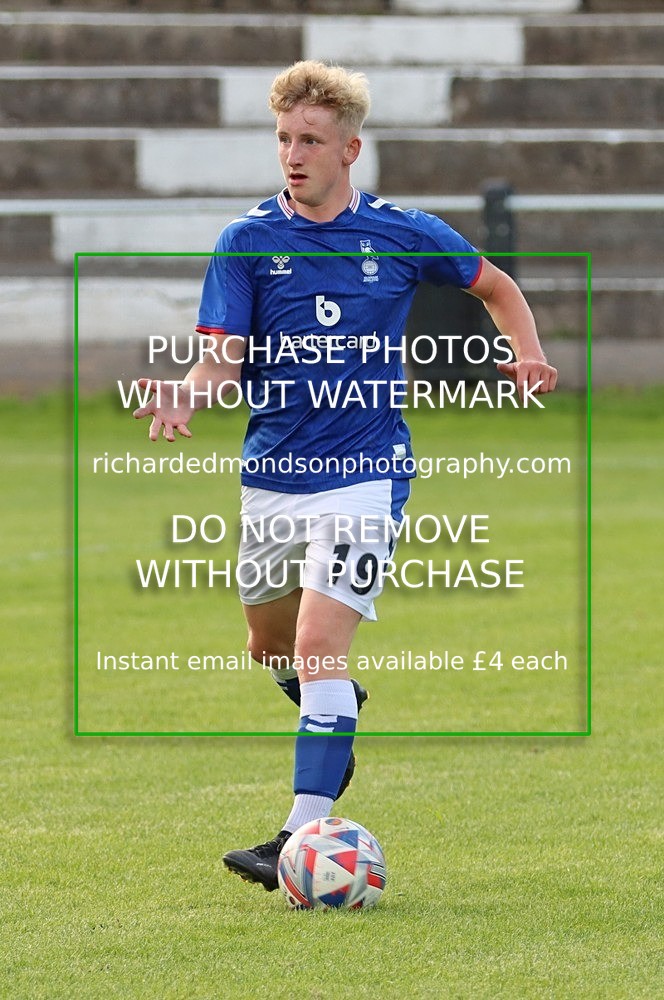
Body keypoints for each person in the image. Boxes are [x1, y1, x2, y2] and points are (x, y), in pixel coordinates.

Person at [133, 60, 557, 892]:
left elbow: (496, 287)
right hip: (272, 477)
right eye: (285, 138)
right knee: (268, 647)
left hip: (366, 473)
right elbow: (225, 357)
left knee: (319, 645)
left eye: (312, 140)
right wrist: (186, 394)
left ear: (349, 149)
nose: (294, 154)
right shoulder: (247, 241)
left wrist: (527, 351)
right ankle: (337, 709)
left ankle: (296, 837)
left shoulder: (402, 232)